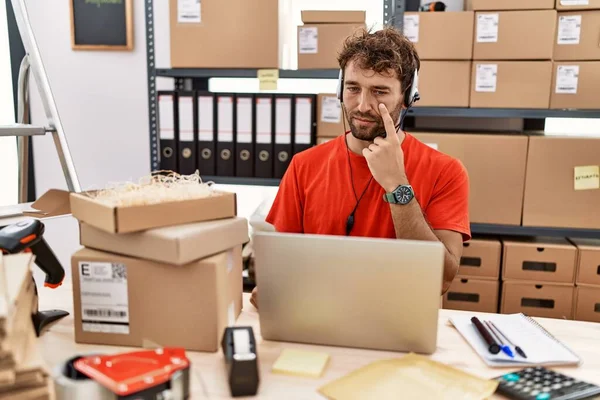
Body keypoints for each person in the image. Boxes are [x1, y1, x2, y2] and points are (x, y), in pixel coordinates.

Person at [250, 26, 470, 309]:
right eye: (353, 88)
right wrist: (274, 287)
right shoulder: (304, 165)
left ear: (407, 97)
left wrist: (397, 185)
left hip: (400, 325)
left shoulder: (446, 171)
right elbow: (284, 265)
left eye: (379, 91)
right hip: (317, 318)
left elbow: (440, 279)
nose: (363, 105)